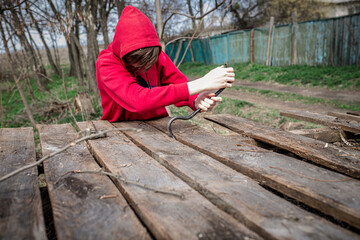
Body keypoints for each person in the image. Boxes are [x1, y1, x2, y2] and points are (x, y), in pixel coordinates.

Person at [96, 5, 235, 122]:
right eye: (138, 62)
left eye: (149, 62)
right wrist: (202, 83)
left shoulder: (155, 54)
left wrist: (194, 99)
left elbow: (176, 81)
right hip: (121, 129)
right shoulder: (107, 63)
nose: (145, 67)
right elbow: (138, 100)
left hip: (158, 124)